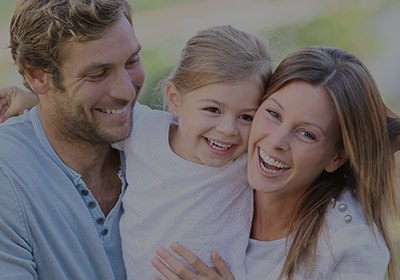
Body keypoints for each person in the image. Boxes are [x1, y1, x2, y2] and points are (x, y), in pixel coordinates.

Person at [0, 25, 273, 279]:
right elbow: (89, 115)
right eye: (213, 110)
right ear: (175, 100)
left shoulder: (249, 162)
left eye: (247, 117)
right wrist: (36, 100)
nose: (228, 130)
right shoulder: (146, 132)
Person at [152, 46, 400, 280]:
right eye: (273, 113)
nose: (276, 141)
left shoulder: (351, 247)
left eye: (307, 134)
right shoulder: (222, 164)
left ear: (337, 157)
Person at [0, 0, 144, 279]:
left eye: (131, 61)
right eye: (98, 73)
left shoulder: (166, 143)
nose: (127, 92)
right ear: (36, 75)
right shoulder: (7, 179)